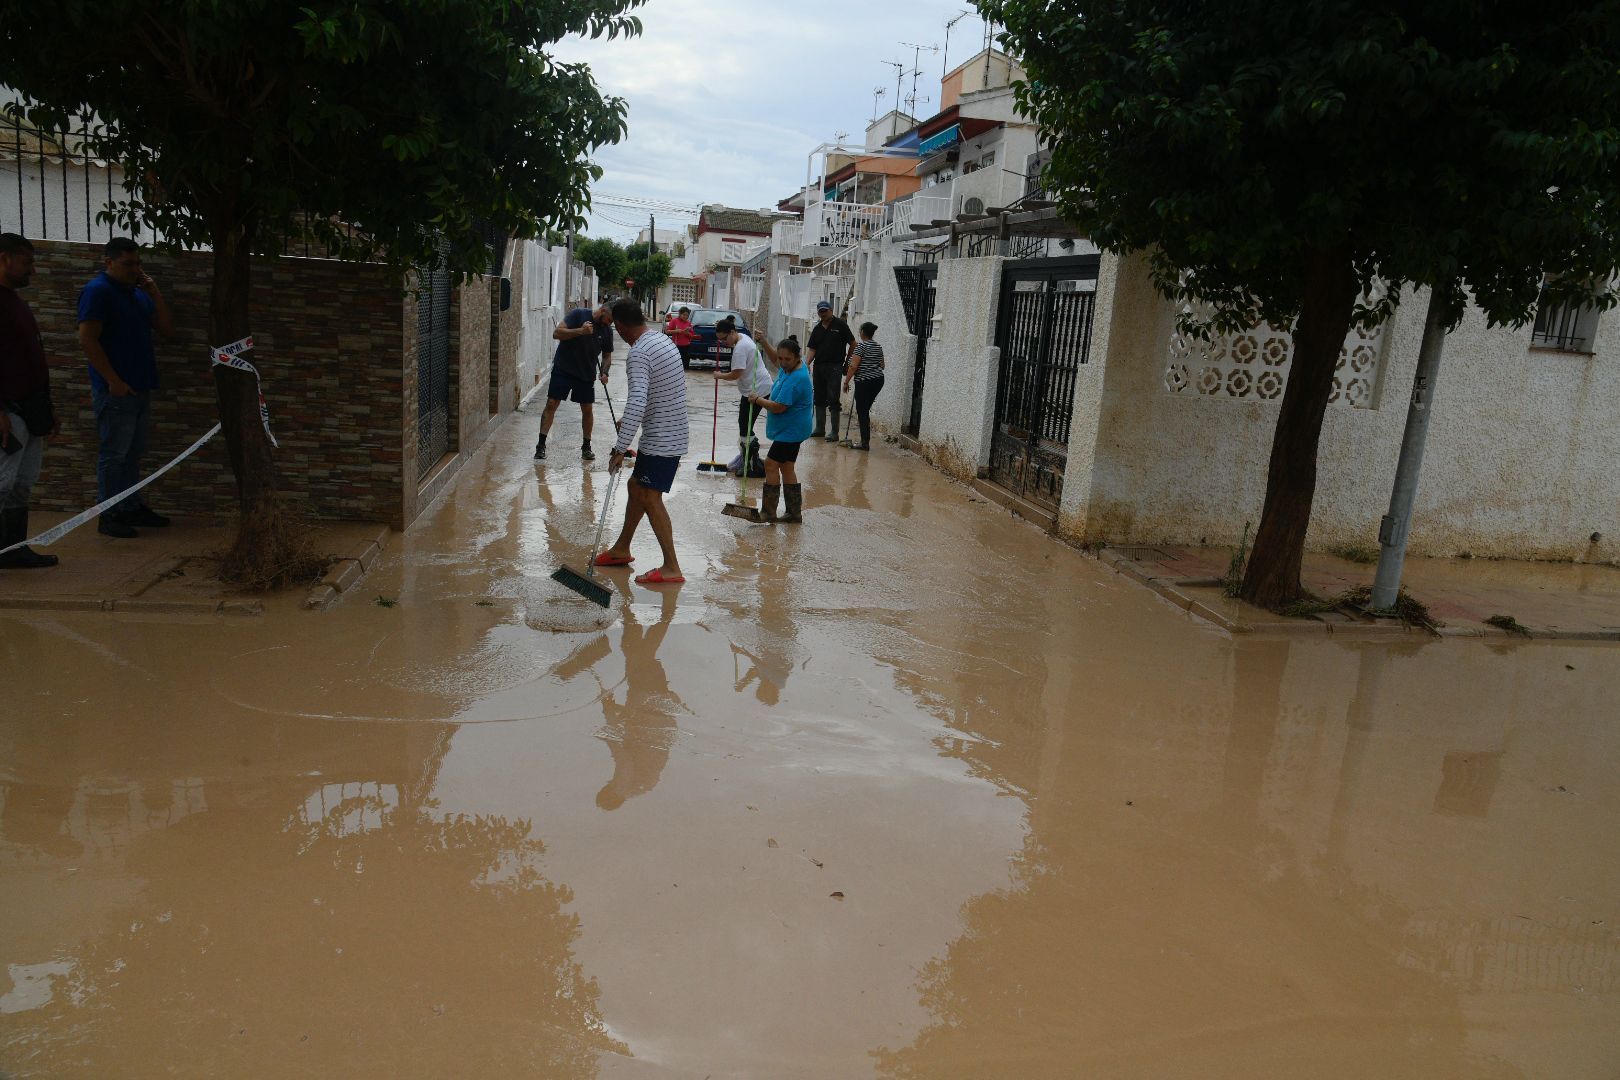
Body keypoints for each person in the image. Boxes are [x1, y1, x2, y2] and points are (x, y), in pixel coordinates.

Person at [77, 237, 174, 539]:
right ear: (109, 262)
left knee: (133, 452)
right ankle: (109, 513)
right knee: (114, 453)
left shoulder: (137, 293)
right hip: (116, 390)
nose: (134, 269)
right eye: (127, 264)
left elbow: (167, 330)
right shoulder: (98, 292)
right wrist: (112, 380)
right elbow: (88, 339)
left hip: (141, 385)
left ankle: (131, 504)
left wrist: (154, 292)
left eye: (137, 264)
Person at [597, 299, 689, 585]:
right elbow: (659, 391)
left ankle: (672, 567)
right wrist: (631, 422)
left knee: (650, 496)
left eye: (614, 326)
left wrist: (619, 448)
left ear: (621, 326)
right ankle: (621, 549)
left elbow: (637, 399)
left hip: (663, 439)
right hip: (669, 434)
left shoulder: (639, 353)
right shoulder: (661, 340)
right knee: (636, 486)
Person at [0, 234, 58, 569]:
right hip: (9, 411)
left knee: (22, 484)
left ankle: (13, 549)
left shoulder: (15, 302)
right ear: (5, 259)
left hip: (31, 409)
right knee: (3, 483)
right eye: (27, 262)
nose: (32, 271)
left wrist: (48, 408)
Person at [535, 303, 614, 462]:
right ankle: (541, 445)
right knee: (551, 403)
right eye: (608, 319)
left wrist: (604, 372)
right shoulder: (578, 314)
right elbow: (557, 333)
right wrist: (580, 331)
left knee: (587, 408)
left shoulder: (607, 331)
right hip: (563, 367)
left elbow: (606, 355)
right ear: (603, 310)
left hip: (585, 373)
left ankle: (586, 447)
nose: (609, 323)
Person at [749, 335, 813, 524]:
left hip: (791, 431)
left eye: (787, 359)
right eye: (782, 358)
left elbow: (778, 407)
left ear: (797, 357)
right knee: (786, 466)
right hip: (795, 429)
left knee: (770, 464)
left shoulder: (796, 378)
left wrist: (757, 399)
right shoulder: (791, 367)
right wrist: (764, 342)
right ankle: (794, 513)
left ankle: (769, 512)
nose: (783, 363)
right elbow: (776, 360)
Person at [712, 316, 771, 472]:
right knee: (744, 424)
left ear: (732, 332)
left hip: (757, 390)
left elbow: (736, 374)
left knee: (745, 425)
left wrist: (719, 375)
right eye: (720, 340)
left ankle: (751, 461)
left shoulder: (740, 348)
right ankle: (746, 456)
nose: (724, 343)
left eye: (724, 339)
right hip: (757, 387)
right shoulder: (743, 337)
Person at [805, 299, 855, 440]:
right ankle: (820, 429)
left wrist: (847, 362)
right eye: (821, 311)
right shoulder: (817, 328)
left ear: (831, 310)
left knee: (833, 397)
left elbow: (853, 343)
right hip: (819, 366)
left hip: (835, 366)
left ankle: (834, 432)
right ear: (818, 312)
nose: (823, 313)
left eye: (825, 311)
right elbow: (812, 349)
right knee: (819, 397)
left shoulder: (840, 325)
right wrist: (807, 363)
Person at [842, 321, 885, 451]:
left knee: (862, 410)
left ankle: (865, 443)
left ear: (862, 332)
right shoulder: (878, 346)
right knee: (864, 409)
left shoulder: (860, 346)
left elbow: (853, 366)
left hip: (864, 381)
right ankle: (864, 441)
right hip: (878, 380)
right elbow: (882, 365)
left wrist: (846, 382)